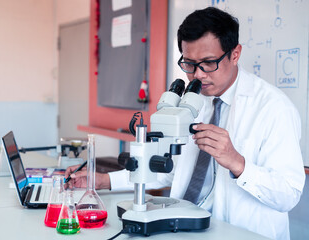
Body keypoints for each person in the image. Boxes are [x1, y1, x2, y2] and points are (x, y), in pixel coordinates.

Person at [65, 7, 305, 240]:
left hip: (241, 233)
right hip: (185, 225)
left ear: (235, 54)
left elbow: (288, 195)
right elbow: (172, 172)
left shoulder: (273, 108)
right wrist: (105, 181)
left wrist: (237, 162)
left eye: (209, 62)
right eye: (189, 64)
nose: (198, 75)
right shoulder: (194, 101)